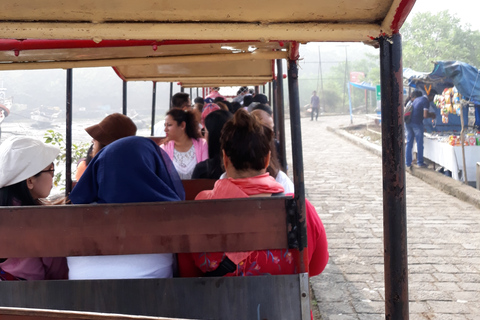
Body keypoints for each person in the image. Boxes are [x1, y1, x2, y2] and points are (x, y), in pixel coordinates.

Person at [178, 110, 328, 278]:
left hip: (218, 303)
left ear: (225, 159)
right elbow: (316, 266)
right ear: (266, 160)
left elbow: (187, 273)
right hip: (283, 303)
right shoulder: (300, 209)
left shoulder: (198, 209)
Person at [67, 136, 185, 280]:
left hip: (80, 299)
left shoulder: (75, 217)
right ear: (153, 169)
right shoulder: (169, 215)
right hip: (155, 298)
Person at [0, 136, 68, 280]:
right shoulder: (41, 220)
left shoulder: (7, 210)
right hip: (35, 297)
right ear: (30, 181)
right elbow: (59, 272)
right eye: (51, 169)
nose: (52, 177)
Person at [161, 109, 208, 179]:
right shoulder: (163, 149)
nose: (165, 129)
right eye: (165, 125)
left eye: (169, 125)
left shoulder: (202, 145)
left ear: (182, 125)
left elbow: (205, 174)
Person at [192, 110, 233, 179]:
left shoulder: (203, 169)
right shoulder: (243, 167)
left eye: (204, 132)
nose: (203, 136)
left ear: (212, 135)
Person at [406, 90, 433, 168]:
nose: (431, 101)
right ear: (431, 96)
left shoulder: (417, 99)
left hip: (408, 122)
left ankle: (408, 163)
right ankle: (420, 162)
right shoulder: (426, 101)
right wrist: (432, 115)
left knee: (409, 142)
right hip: (416, 123)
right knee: (419, 143)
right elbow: (425, 115)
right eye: (432, 98)